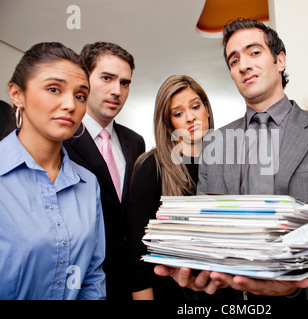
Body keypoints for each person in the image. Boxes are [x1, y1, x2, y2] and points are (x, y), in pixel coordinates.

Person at [155, 18, 308, 300]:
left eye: (254, 52)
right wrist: (199, 270)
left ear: (279, 60)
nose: (243, 65)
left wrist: (301, 287)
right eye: (234, 61)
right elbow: (208, 232)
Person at [0, 42, 105, 299]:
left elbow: (92, 275)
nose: (70, 104)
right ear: (17, 94)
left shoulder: (87, 183)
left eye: (80, 96)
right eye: (54, 89)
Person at [63, 42, 145, 300]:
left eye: (125, 83)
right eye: (107, 78)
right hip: (79, 281)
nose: (116, 91)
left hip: (131, 280)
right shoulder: (62, 138)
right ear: (84, 79)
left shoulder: (136, 142)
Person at [126, 75, 214, 300]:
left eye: (195, 106)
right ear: (168, 123)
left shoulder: (225, 164)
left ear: (206, 109)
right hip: (171, 293)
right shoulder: (151, 166)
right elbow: (139, 250)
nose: (190, 117)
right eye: (178, 113)